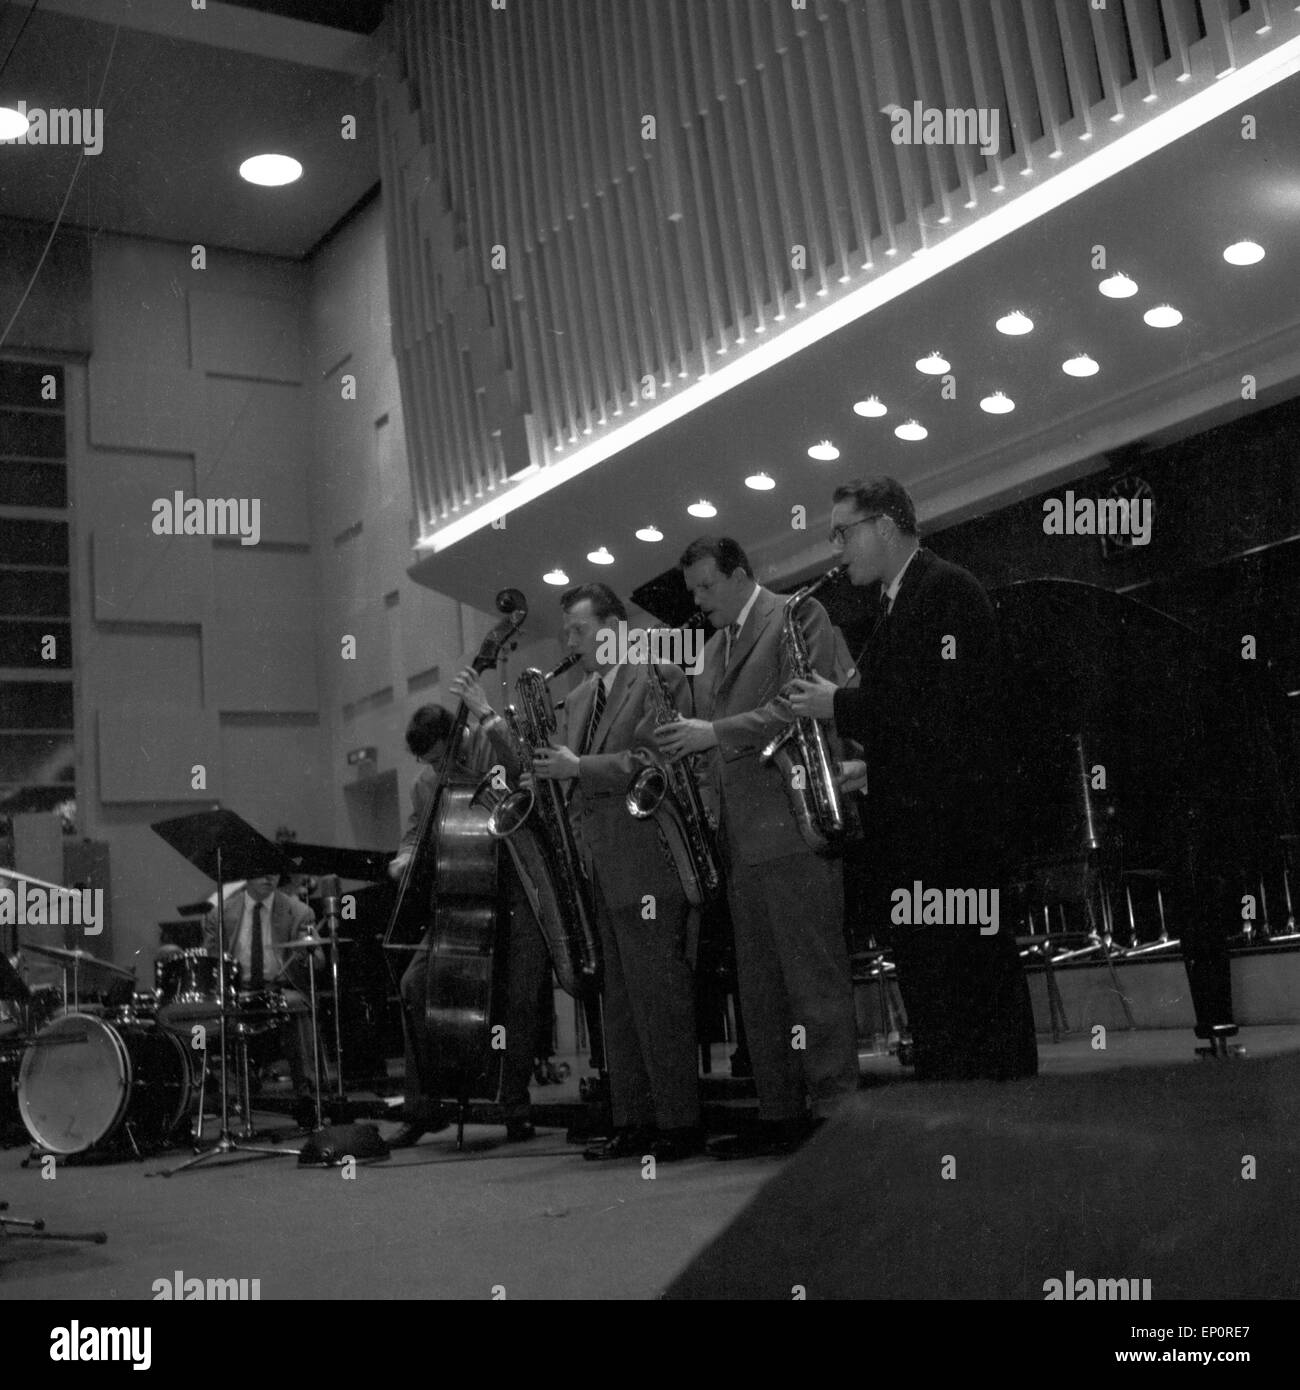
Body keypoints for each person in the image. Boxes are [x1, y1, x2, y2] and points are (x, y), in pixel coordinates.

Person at [786, 477, 1038, 1081]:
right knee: (940, 982)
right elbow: (929, 725)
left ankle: (995, 1106)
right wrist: (868, 771)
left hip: (954, 839)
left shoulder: (944, 589)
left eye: (844, 532)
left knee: (968, 979)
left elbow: (946, 712)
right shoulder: (902, 598)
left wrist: (841, 707)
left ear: (886, 526)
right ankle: (965, 1104)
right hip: (932, 832)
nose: (838, 548)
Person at [458, 583, 704, 1163]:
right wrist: (514, 747)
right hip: (598, 865)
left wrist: (579, 766)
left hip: (648, 859)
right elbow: (553, 770)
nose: (569, 639)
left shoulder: (657, 674)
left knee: (657, 999)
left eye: (577, 628)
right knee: (618, 1006)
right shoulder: (583, 694)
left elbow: (658, 761)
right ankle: (634, 1120)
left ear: (613, 625)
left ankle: (678, 1123)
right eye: (567, 630)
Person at [655, 537, 860, 1158]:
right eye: (691, 590)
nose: (697, 601)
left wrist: (712, 733)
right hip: (742, 839)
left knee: (813, 979)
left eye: (707, 587)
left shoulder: (798, 615)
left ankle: (837, 1114)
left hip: (795, 825)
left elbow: (803, 706)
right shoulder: (713, 649)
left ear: (742, 575)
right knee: (762, 988)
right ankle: (780, 1113)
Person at [387, 704, 551, 1147]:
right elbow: (415, 832)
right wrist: (404, 856)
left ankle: (514, 1106)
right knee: (413, 985)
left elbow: (519, 774)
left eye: (439, 757)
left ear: (455, 739)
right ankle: (423, 1108)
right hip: (462, 902)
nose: (433, 768)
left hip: (515, 893)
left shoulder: (487, 757)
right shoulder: (425, 784)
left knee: (517, 997)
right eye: (426, 761)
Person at [202, 872, 317, 1098]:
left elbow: (318, 958)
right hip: (236, 990)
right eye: (260, 873)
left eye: (273, 873)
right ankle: (222, 1081)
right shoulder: (220, 914)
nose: (268, 879)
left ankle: (307, 1093)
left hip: (279, 987)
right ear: (246, 875)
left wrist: (306, 954)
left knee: (297, 1005)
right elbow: (210, 960)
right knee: (198, 1015)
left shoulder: (300, 911)